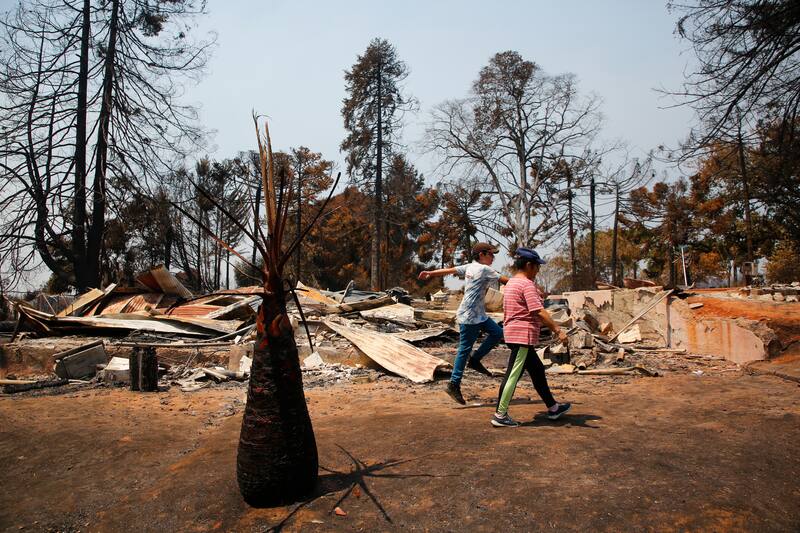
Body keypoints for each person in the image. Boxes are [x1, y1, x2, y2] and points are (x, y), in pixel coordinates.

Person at [418, 242, 509, 404]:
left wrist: (430, 273)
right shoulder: (484, 269)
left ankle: (475, 360)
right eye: (491, 254)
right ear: (482, 255)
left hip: (479, 314)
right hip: (469, 316)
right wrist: (528, 286)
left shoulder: (470, 267)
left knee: (497, 333)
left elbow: (450, 270)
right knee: (464, 349)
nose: (494, 257)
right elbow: (507, 281)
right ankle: (454, 383)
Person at [492, 247, 571, 428]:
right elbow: (539, 312)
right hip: (522, 336)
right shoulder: (527, 284)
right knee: (513, 374)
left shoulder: (511, 282)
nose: (538, 271)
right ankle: (500, 414)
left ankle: (553, 407)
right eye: (537, 267)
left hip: (515, 334)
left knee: (537, 371)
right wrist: (558, 330)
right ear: (529, 265)